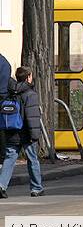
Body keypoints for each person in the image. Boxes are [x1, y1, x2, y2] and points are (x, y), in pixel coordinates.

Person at [0, 67, 43, 198]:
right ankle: (36, 188)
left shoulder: (10, 92)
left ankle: (1, 185)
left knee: (9, 159)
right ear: (29, 77)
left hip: (11, 132)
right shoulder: (31, 94)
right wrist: (35, 136)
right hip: (26, 133)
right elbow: (32, 117)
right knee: (32, 159)